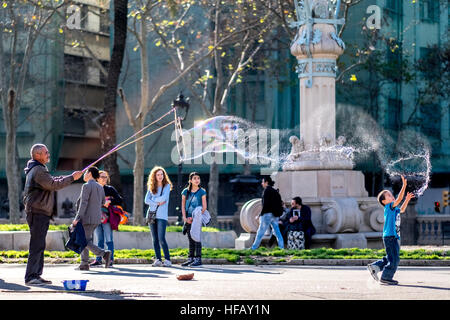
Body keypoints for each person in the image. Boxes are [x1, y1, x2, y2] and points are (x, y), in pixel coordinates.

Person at [23, 143, 83, 286]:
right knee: (37, 245)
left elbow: (52, 180)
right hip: (37, 212)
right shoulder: (38, 170)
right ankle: (31, 276)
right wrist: (72, 178)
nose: (48, 154)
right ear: (37, 155)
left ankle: (36, 274)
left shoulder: (39, 169)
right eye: (46, 152)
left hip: (39, 212)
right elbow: (53, 185)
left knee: (39, 245)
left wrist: (71, 176)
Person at [367, 175, 415, 285]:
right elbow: (398, 200)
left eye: (391, 194)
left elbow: (402, 209)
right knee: (395, 259)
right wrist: (404, 186)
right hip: (390, 237)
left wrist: (406, 200)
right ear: (384, 201)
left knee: (391, 257)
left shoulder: (393, 209)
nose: (391, 196)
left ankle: (375, 267)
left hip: (392, 237)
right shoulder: (389, 207)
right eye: (388, 195)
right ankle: (386, 277)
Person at [72, 166, 112, 271]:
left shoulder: (86, 186)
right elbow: (103, 202)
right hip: (97, 218)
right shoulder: (100, 187)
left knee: (83, 241)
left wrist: (77, 218)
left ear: (89, 173)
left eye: (85, 172)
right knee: (85, 239)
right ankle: (84, 264)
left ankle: (104, 254)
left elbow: (83, 204)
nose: (84, 175)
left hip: (86, 218)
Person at [91, 170, 123, 267]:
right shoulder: (93, 188)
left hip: (107, 218)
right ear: (97, 178)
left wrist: (109, 200)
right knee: (99, 240)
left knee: (109, 239)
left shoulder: (110, 189)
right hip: (96, 218)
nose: (104, 179)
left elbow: (119, 200)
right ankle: (98, 259)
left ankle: (110, 260)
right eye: (102, 176)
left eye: (105, 177)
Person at [144, 166, 173, 267]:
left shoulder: (167, 186)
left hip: (161, 216)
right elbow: (146, 200)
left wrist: (153, 200)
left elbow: (164, 198)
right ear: (154, 176)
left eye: (161, 174)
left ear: (164, 175)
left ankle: (168, 260)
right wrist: (157, 202)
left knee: (161, 238)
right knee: (154, 239)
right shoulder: (152, 187)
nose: (160, 176)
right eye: (158, 174)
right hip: (151, 214)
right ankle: (158, 259)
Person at [250, 176, 284, 250]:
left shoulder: (266, 191)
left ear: (266, 182)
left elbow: (265, 205)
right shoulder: (275, 191)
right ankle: (281, 248)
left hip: (267, 215)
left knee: (260, 232)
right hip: (275, 215)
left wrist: (260, 214)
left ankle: (253, 248)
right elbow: (280, 204)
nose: (262, 183)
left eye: (263, 182)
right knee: (277, 233)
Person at [181, 172, 207, 267]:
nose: (197, 180)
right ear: (190, 180)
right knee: (190, 239)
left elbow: (204, 207)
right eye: (195, 178)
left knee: (197, 238)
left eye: (198, 178)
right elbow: (183, 206)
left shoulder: (202, 191)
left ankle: (198, 259)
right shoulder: (185, 192)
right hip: (188, 218)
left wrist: (196, 218)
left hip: (197, 218)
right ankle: (190, 258)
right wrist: (185, 218)